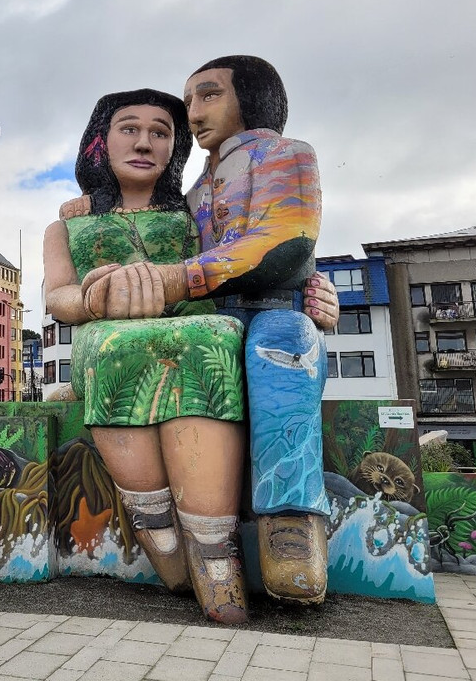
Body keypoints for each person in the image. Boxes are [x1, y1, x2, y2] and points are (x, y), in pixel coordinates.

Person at [70, 57, 333, 605]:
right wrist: (93, 207)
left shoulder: (285, 155)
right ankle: (194, 535)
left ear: (252, 97)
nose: (194, 112)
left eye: (208, 95)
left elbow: (284, 240)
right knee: (188, 356)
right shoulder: (195, 193)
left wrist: (178, 279)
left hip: (271, 305)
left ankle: (291, 522)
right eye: (189, 100)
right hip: (207, 314)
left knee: (278, 353)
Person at [45, 88, 252, 623]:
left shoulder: (196, 216)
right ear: (101, 142)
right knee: (118, 346)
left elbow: (246, 260)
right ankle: (158, 530)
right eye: (129, 128)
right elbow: (57, 297)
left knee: (208, 338)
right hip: (105, 335)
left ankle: (213, 547)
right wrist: (93, 295)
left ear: (175, 145)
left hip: (190, 327)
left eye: (160, 131)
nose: (144, 142)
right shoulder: (67, 225)